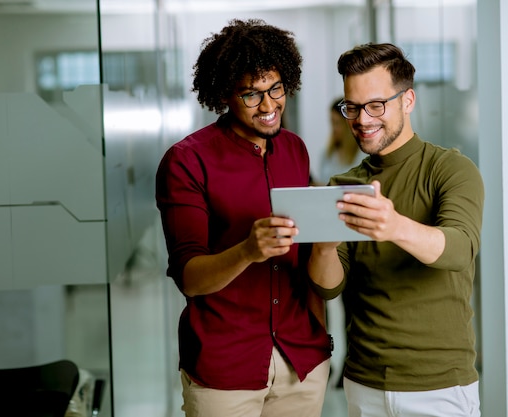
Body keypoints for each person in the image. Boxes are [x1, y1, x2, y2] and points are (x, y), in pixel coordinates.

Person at [155, 19, 331, 417]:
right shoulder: (187, 161)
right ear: (224, 94)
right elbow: (190, 278)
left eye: (275, 89)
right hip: (225, 368)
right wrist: (248, 250)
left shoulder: (295, 150)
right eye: (251, 94)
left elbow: (303, 260)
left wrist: (318, 335)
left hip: (300, 362)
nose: (269, 106)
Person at [307, 43, 484, 417]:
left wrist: (394, 225)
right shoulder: (343, 184)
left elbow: (459, 249)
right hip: (364, 382)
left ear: (408, 101)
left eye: (376, 105)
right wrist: (323, 247)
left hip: (440, 385)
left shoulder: (451, 170)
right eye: (351, 107)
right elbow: (329, 286)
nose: (361, 119)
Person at [315, 98, 366, 185]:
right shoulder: (326, 154)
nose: (334, 129)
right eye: (332, 123)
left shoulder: (363, 154)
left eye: (337, 123)